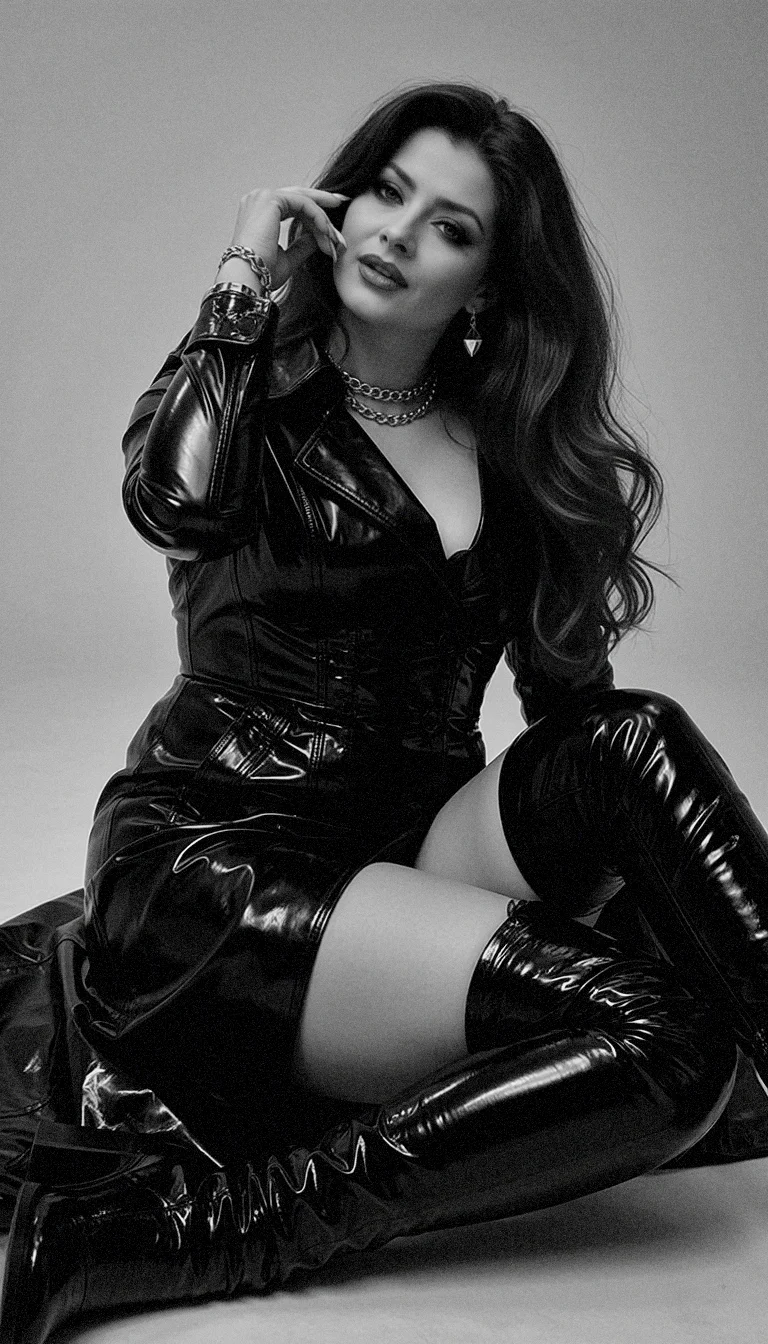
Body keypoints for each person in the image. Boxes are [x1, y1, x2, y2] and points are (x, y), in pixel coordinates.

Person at [1, 81, 767, 1344]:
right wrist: (242, 281)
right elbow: (173, 506)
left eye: (449, 227)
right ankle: (172, 1238)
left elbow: (574, 732)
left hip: (406, 856)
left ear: (487, 286)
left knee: (635, 740)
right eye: (386, 193)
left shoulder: (511, 446)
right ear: (338, 205)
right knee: (671, 1044)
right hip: (220, 871)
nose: (397, 234)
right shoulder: (248, 393)